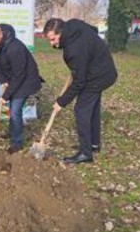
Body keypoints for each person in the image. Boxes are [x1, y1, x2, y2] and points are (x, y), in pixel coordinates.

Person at [43, 18, 117, 164]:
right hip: (104, 69)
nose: (52, 44)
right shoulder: (74, 24)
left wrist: (61, 102)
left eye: (53, 39)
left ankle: (85, 153)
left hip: (97, 76)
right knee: (92, 109)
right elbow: (94, 30)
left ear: (61, 32)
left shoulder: (73, 51)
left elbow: (79, 82)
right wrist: (85, 59)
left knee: (81, 110)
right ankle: (93, 144)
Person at [0, 21, 44, 154]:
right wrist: (3, 81)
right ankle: (13, 132)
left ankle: (17, 142)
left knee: (15, 111)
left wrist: (5, 95)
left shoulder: (14, 48)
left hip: (26, 81)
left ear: (1, 33)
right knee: (12, 110)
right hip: (14, 79)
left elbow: (19, 75)